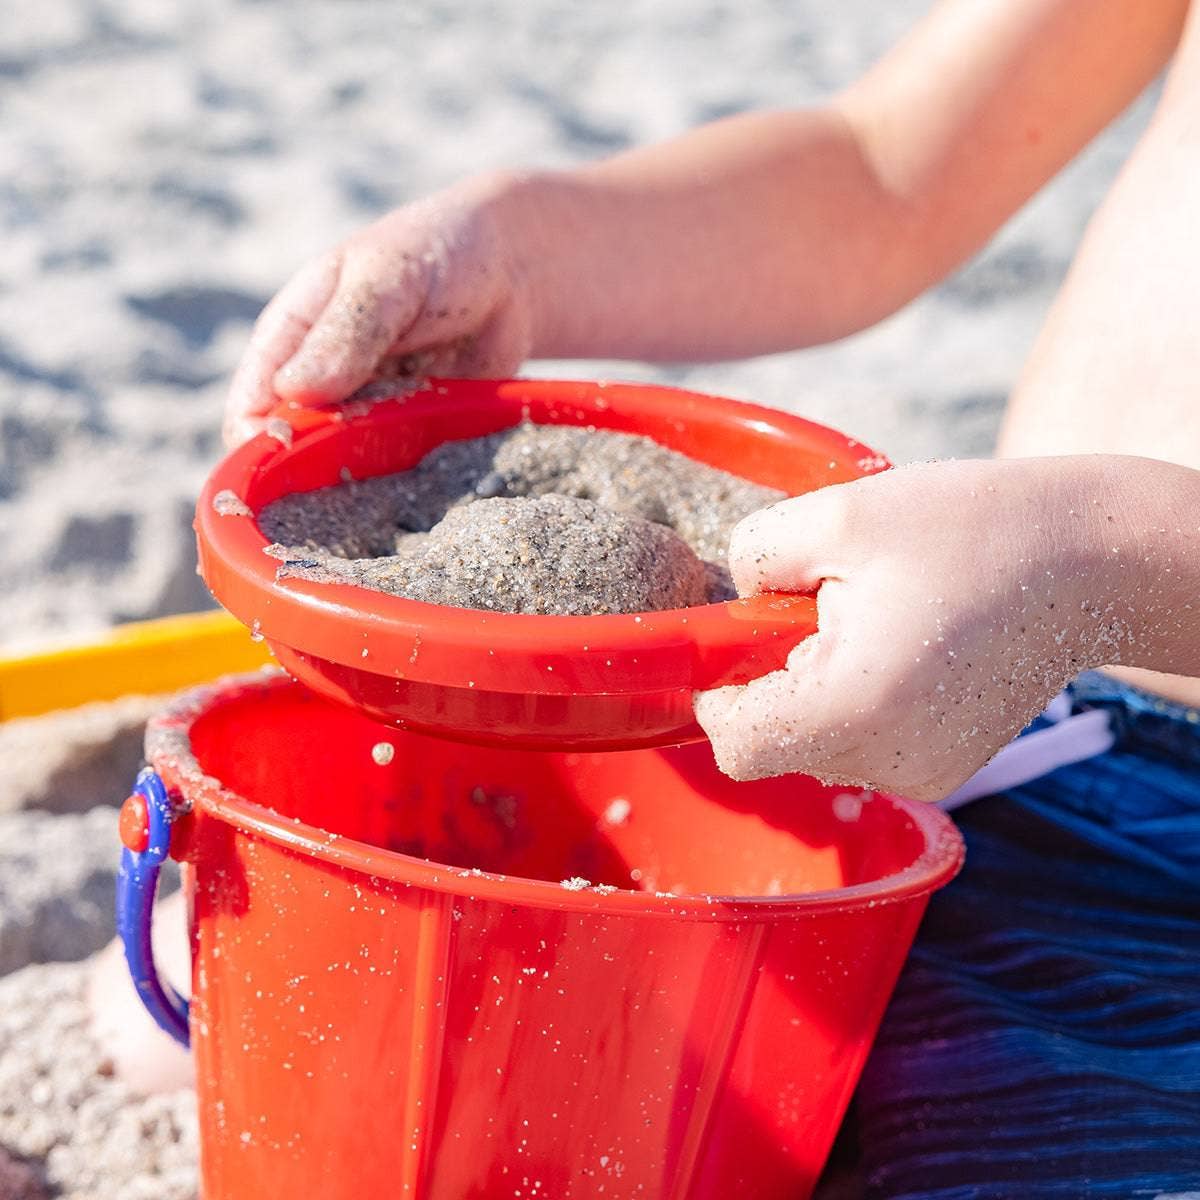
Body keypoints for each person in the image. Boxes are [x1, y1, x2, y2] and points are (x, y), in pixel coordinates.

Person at [103, 0, 1200, 1192]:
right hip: (1003, 690)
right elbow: (882, 172)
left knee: (937, 1131)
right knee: (208, 989)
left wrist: (1109, 570)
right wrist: (524, 244)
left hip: (1142, 825)